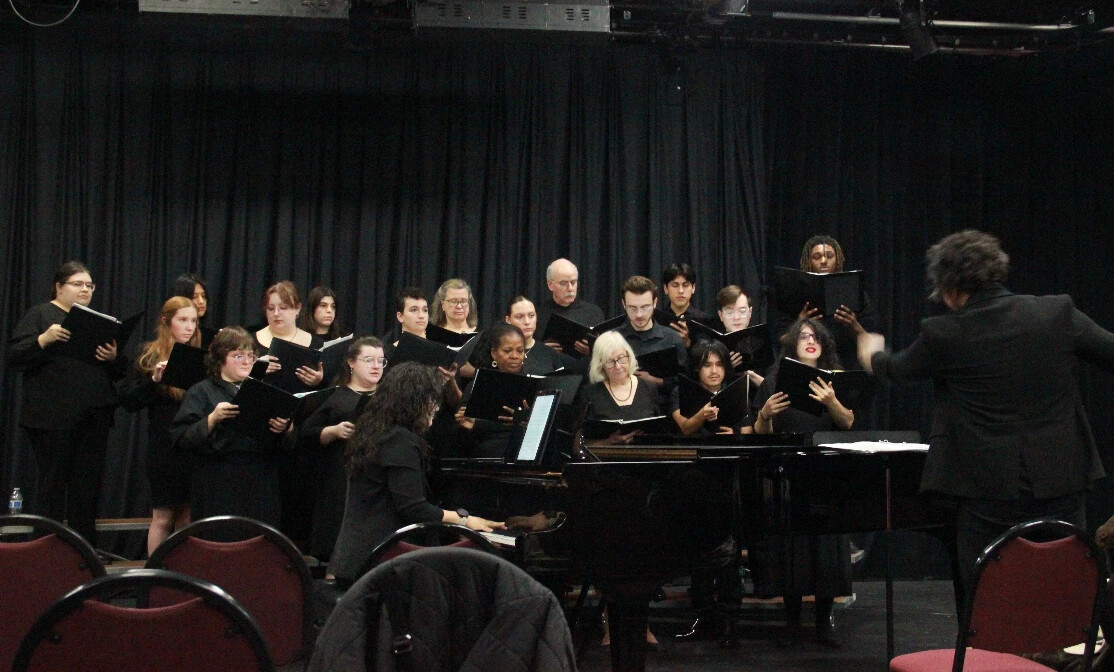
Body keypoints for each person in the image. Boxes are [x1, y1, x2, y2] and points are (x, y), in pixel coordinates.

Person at [857, 229, 1114, 605]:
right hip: (1061, 480)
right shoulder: (1056, 313)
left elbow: (896, 370)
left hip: (986, 492)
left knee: (991, 598)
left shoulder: (945, 333)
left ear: (948, 288)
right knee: (1064, 591)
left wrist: (871, 352)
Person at [328, 362, 504, 585]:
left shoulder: (374, 432)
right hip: (383, 559)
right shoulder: (399, 440)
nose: (436, 408)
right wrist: (466, 521)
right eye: (432, 401)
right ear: (414, 402)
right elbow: (413, 508)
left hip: (359, 556)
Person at [6, 261, 126, 545]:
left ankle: (83, 553)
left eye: (89, 285)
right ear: (59, 287)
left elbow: (120, 371)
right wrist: (43, 339)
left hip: (93, 415)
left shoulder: (98, 321)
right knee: (53, 487)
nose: (85, 289)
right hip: (53, 417)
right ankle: (48, 551)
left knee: (87, 490)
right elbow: (14, 356)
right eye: (77, 284)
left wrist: (114, 358)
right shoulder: (41, 314)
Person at [751, 318, 854, 647]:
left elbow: (849, 422)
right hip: (790, 469)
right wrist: (764, 414)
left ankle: (824, 620)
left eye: (817, 337)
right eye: (804, 336)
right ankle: (792, 620)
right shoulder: (775, 379)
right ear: (793, 342)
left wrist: (832, 402)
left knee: (825, 545)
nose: (811, 341)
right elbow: (760, 434)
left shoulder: (834, 379)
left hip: (825, 469)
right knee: (790, 545)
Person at [170, 327, 291, 530]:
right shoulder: (201, 391)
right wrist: (212, 418)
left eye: (250, 356)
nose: (246, 361)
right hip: (217, 482)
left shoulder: (265, 391)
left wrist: (284, 429)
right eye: (238, 356)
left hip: (259, 480)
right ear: (219, 360)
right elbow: (181, 439)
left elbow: (283, 444)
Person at [120, 296, 200, 556]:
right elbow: (129, 402)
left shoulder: (201, 355)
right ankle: (154, 576)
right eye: (183, 320)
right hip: (164, 447)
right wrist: (155, 381)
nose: (189, 327)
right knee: (163, 517)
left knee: (187, 518)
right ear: (167, 322)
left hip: (193, 445)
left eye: (193, 321)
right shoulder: (150, 354)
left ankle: (183, 572)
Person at [297, 337, 385, 561]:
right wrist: (333, 431)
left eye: (380, 361)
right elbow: (305, 434)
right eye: (368, 360)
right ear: (351, 362)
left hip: (379, 476)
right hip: (340, 478)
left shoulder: (388, 397)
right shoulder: (335, 395)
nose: (376, 366)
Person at [777, 235, 878, 371]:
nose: (823, 261)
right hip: (805, 368)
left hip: (846, 366)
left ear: (838, 259)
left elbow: (871, 340)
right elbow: (782, 340)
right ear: (808, 261)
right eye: (817, 257)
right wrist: (800, 324)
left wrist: (853, 325)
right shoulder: (793, 294)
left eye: (829, 256)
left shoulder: (855, 294)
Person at [454, 323, 531, 458]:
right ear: (494, 353)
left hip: (525, 450)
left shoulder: (534, 386)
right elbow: (462, 428)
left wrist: (525, 419)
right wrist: (469, 422)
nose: (515, 356)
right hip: (486, 453)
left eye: (520, 350)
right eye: (507, 351)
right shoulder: (477, 385)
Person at [579, 331, 665, 445]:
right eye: (610, 362)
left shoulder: (649, 387)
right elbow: (580, 443)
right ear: (600, 365)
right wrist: (608, 442)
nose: (618, 366)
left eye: (621, 358)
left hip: (646, 457)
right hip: (606, 460)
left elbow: (662, 433)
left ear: (629, 356)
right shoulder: (590, 393)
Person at [616, 276, 688, 402]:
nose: (639, 314)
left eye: (645, 307)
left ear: (655, 303)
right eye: (632, 308)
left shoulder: (672, 338)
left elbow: (685, 382)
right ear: (624, 304)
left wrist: (656, 381)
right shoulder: (614, 339)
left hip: (662, 409)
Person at [670, 340, 751, 435]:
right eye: (707, 365)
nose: (714, 371)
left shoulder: (738, 391)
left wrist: (734, 437)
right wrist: (702, 415)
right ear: (697, 367)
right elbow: (685, 429)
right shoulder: (681, 391)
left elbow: (747, 431)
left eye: (719, 364)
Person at [254, 281, 325, 388]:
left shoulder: (317, 344)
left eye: (283, 308)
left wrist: (318, 381)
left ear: (298, 308)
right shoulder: (249, 341)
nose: (276, 314)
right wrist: (255, 372)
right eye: (271, 308)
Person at [536, 258, 605, 356]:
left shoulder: (593, 312)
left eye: (573, 282)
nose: (570, 288)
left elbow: (606, 352)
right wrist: (543, 350)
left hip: (584, 369)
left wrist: (593, 351)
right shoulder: (539, 314)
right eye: (563, 283)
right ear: (550, 284)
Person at [711, 284, 765, 386]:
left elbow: (773, 388)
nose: (736, 317)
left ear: (750, 312)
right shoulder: (711, 347)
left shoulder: (763, 342)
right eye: (729, 312)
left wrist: (749, 373)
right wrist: (726, 369)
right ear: (720, 315)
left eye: (742, 311)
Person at [661, 263, 710, 348]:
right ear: (666, 288)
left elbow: (707, 357)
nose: (680, 291)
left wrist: (688, 342)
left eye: (685, 285)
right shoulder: (658, 320)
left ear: (693, 288)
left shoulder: (704, 321)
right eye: (675, 285)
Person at [170, 272, 216, 346]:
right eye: (194, 297)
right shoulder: (172, 336)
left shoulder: (213, 337)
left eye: (203, 296)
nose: (201, 301)